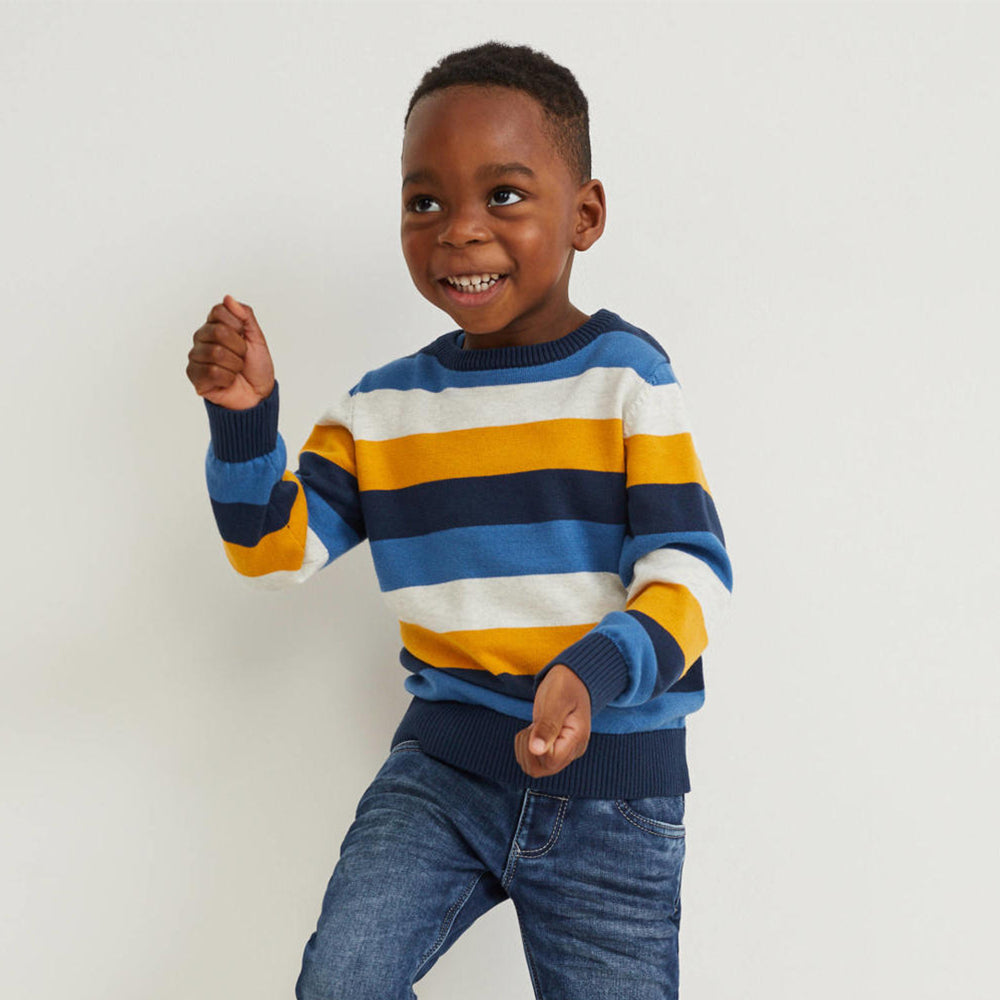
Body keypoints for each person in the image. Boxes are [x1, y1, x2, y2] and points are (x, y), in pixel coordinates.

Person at [186, 41, 731, 1000]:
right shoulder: (383, 409)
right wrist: (244, 421)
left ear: (585, 215)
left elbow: (690, 572)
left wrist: (591, 673)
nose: (460, 231)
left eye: (504, 196)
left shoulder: (626, 378)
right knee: (341, 982)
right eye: (425, 201)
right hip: (442, 776)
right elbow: (272, 549)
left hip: (614, 795)